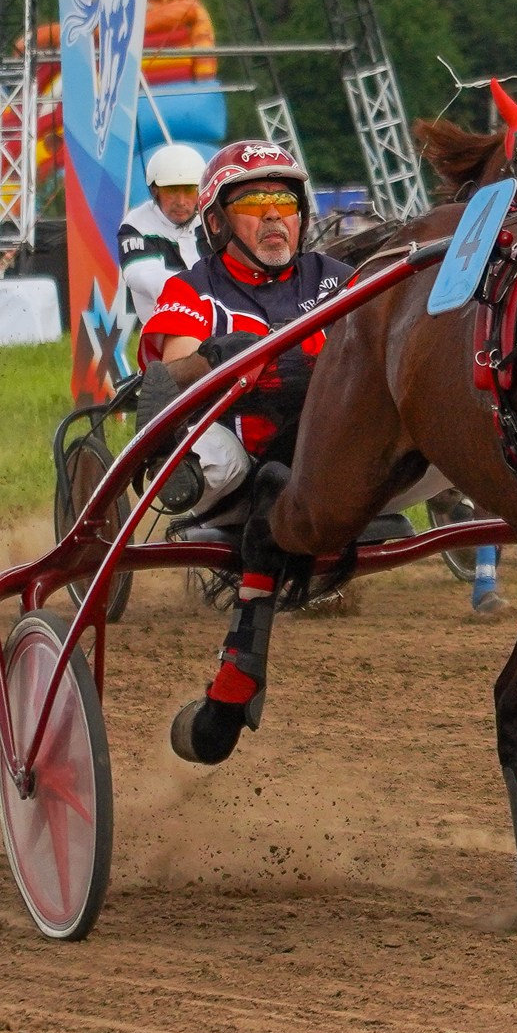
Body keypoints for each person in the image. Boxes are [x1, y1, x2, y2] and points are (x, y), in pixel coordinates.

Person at [135, 141, 352, 768]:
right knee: (231, 466)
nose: (276, 216)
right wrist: (219, 355)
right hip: (236, 455)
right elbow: (176, 367)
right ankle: (181, 476)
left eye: (286, 202)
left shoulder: (335, 279)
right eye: (256, 203)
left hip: (321, 454)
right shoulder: (193, 288)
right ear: (218, 222)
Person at [117, 142, 207, 333]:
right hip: (165, 332)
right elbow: (142, 276)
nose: (181, 201)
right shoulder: (136, 224)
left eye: (189, 190)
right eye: (172, 190)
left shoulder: (212, 221)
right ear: (154, 190)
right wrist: (205, 291)